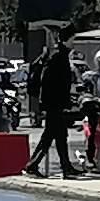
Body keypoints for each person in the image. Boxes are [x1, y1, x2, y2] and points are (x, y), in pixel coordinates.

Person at [24, 37, 81, 177]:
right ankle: (32, 165)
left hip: (54, 103)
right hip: (54, 104)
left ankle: (65, 166)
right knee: (50, 135)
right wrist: (61, 100)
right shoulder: (58, 58)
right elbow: (52, 83)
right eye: (72, 40)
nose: (74, 43)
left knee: (59, 135)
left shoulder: (60, 56)